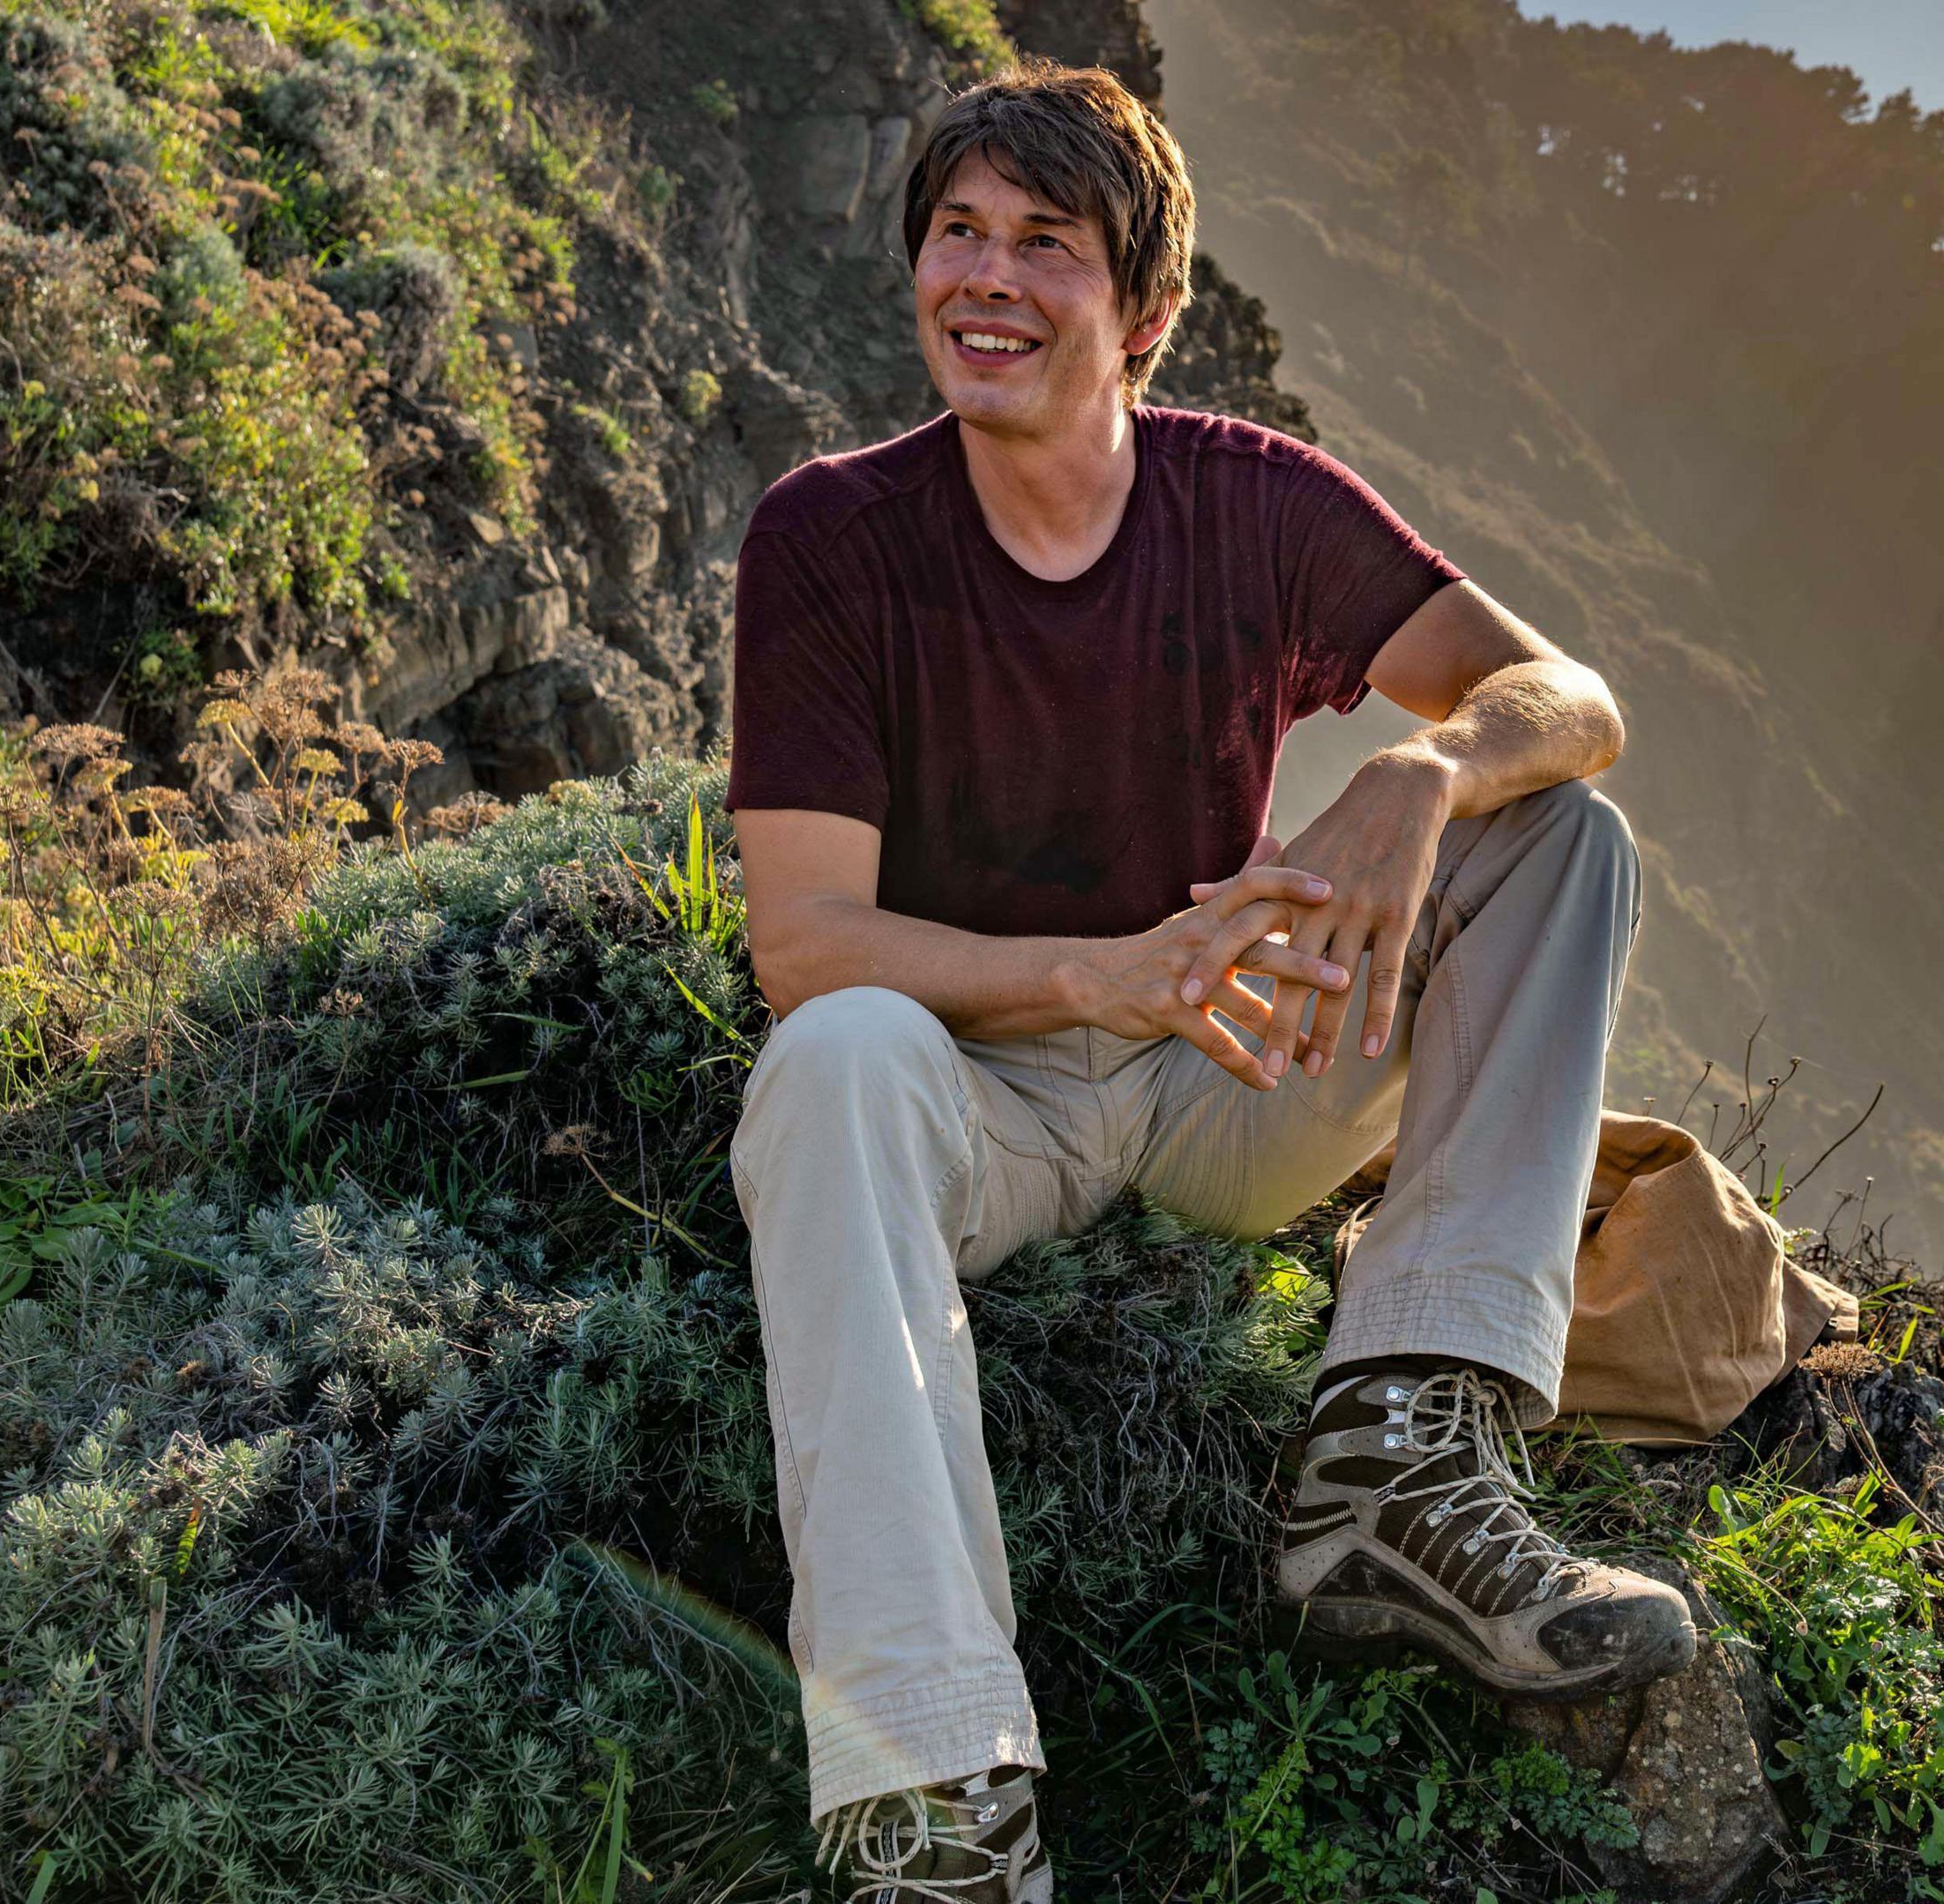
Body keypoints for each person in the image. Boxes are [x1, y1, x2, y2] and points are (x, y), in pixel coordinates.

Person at [723, 57, 1696, 1903]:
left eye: (1046, 247)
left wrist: (1423, 772)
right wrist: (1105, 976)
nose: (984, 279)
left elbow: (1574, 700)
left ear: (1147, 316)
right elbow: (809, 945)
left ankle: (1396, 1465)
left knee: (1561, 838)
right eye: (956, 234)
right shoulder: (832, 537)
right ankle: (933, 1795)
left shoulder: (1247, 504)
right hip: (974, 1093)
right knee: (834, 1056)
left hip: (1225, 1080)